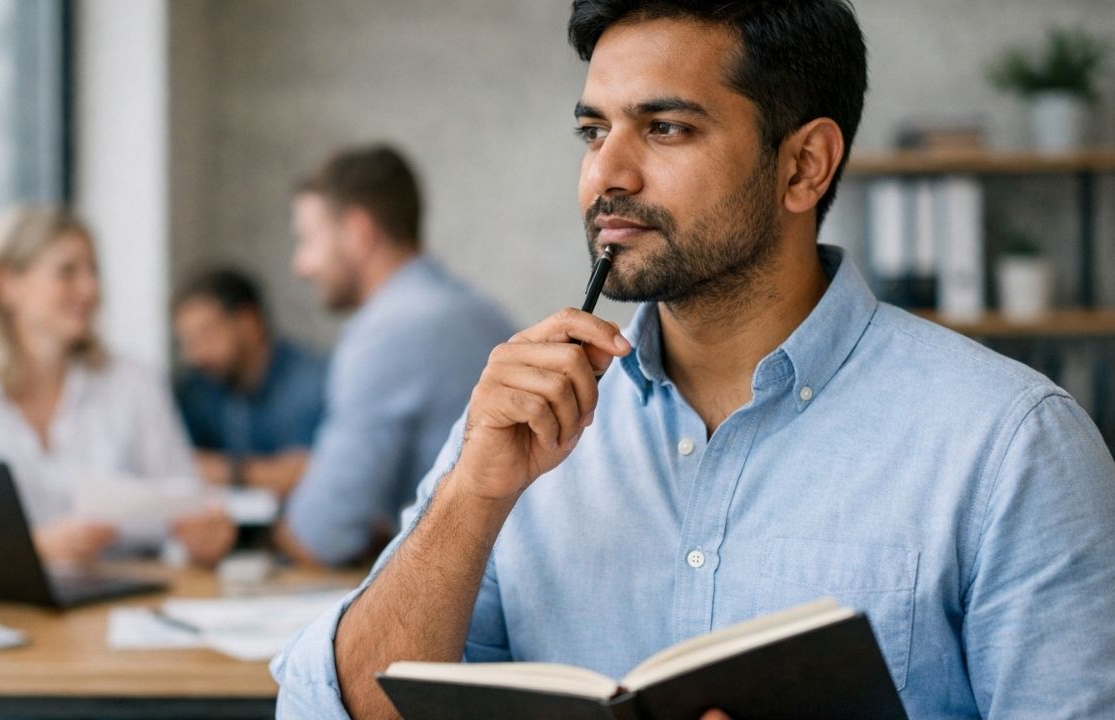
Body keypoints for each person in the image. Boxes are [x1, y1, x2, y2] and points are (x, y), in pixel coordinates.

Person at [272, 3, 1115, 719]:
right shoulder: (518, 422)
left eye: (665, 128)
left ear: (803, 165)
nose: (607, 174)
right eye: (593, 130)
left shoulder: (1014, 447)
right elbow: (335, 709)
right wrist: (469, 496)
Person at [0, 206, 236, 568]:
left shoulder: (134, 383)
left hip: (123, 604)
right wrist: (34, 546)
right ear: (6, 285)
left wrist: (203, 540)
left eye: (94, 272)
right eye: (67, 272)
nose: (91, 289)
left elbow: (184, 505)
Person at [274, 145, 516, 567]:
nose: (301, 265)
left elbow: (321, 536)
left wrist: (271, 535)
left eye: (309, 240)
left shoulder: (388, 330)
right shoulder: (480, 311)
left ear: (358, 233)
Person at [173, 269, 327, 498]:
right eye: (187, 342)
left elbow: (312, 473)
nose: (196, 355)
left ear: (248, 322)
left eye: (206, 335)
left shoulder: (308, 382)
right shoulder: (200, 388)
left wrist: (228, 472)